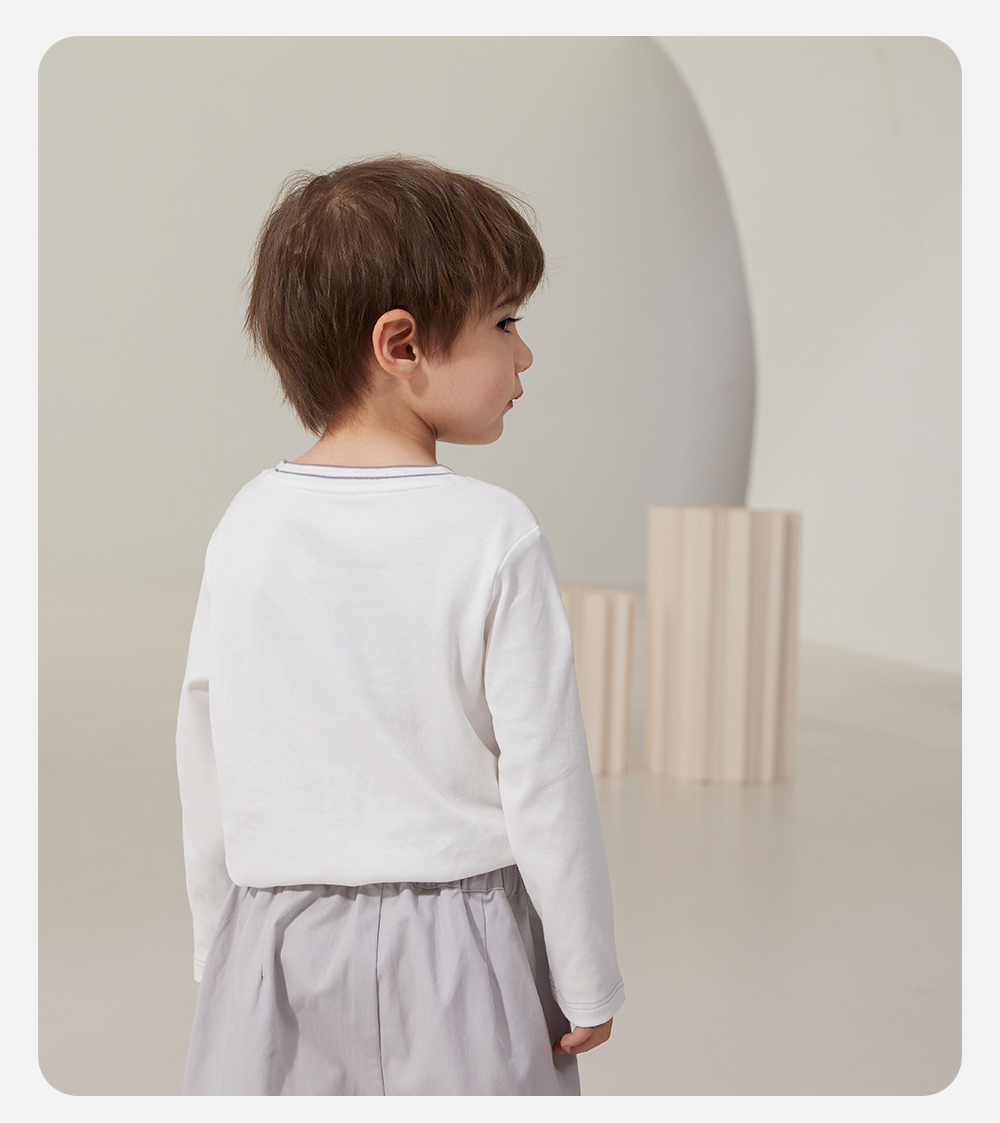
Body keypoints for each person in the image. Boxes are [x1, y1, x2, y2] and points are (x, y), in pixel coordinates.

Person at [176, 155, 625, 1096]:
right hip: (462, 949)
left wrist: (219, 950)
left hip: (277, 943)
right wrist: (585, 972)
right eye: (506, 322)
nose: (524, 356)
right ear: (402, 344)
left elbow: (208, 759)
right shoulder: (494, 532)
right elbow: (545, 779)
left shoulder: (246, 525)